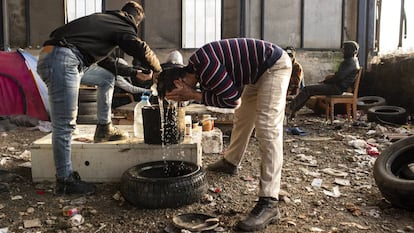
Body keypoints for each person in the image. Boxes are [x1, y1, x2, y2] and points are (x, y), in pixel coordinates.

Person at [157, 38, 292, 232]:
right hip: (256, 74)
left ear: (179, 81)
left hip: (274, 66)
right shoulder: (198, 67)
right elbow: (227, 94)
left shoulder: (205, 67)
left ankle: (269, 201)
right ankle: (230, 162)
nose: (181, 100)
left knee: (267, 128)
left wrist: (193, 95)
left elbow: (231, 101)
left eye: (178, 95)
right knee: (244, 118)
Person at [36, 1, 161, 195]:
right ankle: (65, 180)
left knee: (105, 78)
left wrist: (134, 72)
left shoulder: (103, 22)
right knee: (65, 123)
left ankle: (104, 128)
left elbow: (107, 63)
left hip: (58, 56)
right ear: (135, 20)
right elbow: (140, 48)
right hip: (63, 59)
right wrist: (158, 71)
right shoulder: (123, 23)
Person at [286, 41, 360, 119]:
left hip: (337, 88)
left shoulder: (349, 62)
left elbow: (338, 77)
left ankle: (289, 109)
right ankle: (292, 110)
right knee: (308, 90)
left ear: (350, 50)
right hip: (338, 87)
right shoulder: (353, 61)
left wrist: (326, 81)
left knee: (307, 90)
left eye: (344, 49)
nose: (342, 51)